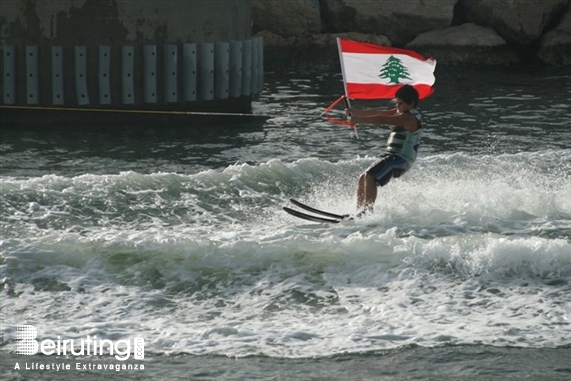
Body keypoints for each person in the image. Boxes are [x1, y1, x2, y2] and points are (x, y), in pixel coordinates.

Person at [345, 84, 423, 217]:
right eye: (396, 103)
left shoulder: (409, 118)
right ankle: (358, 212)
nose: (397, 107)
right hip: (392, 157)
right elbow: (380, 112)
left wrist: (358, 119)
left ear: (411, 104)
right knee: (363, 178)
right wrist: (355, 112)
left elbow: (383, 119)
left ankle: (367, 213)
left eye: (400, 104)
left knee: (370, 177)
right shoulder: (402, 112)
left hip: (401, 159)